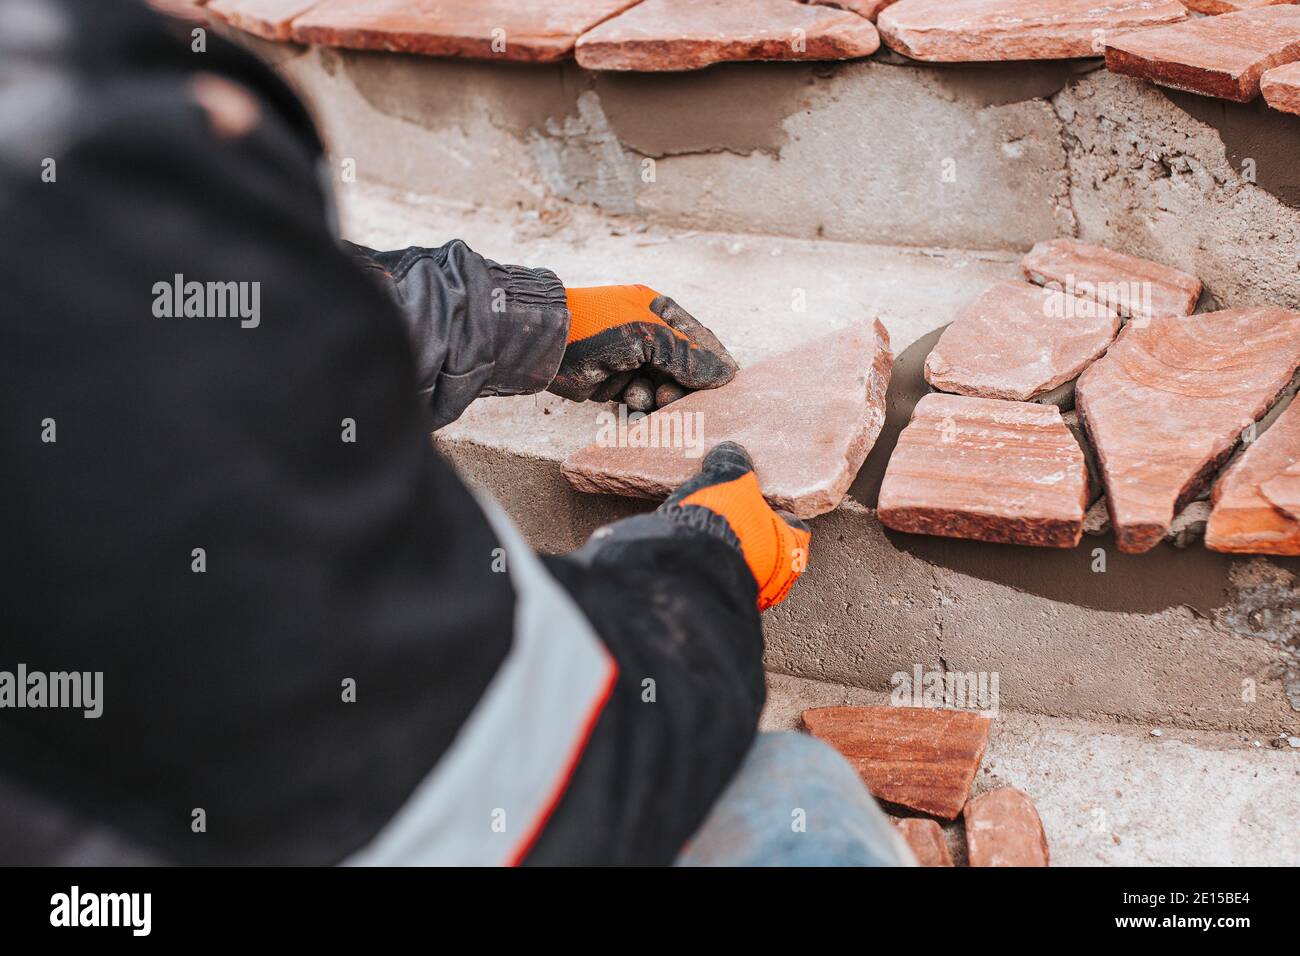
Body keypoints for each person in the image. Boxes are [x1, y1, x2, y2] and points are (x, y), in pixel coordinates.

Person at [0, 0, 911, 866]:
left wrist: (512, 319)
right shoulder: (75, 139)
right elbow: (511, 772)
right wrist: (696, 583)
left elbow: (182, 320)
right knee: (795, 798)